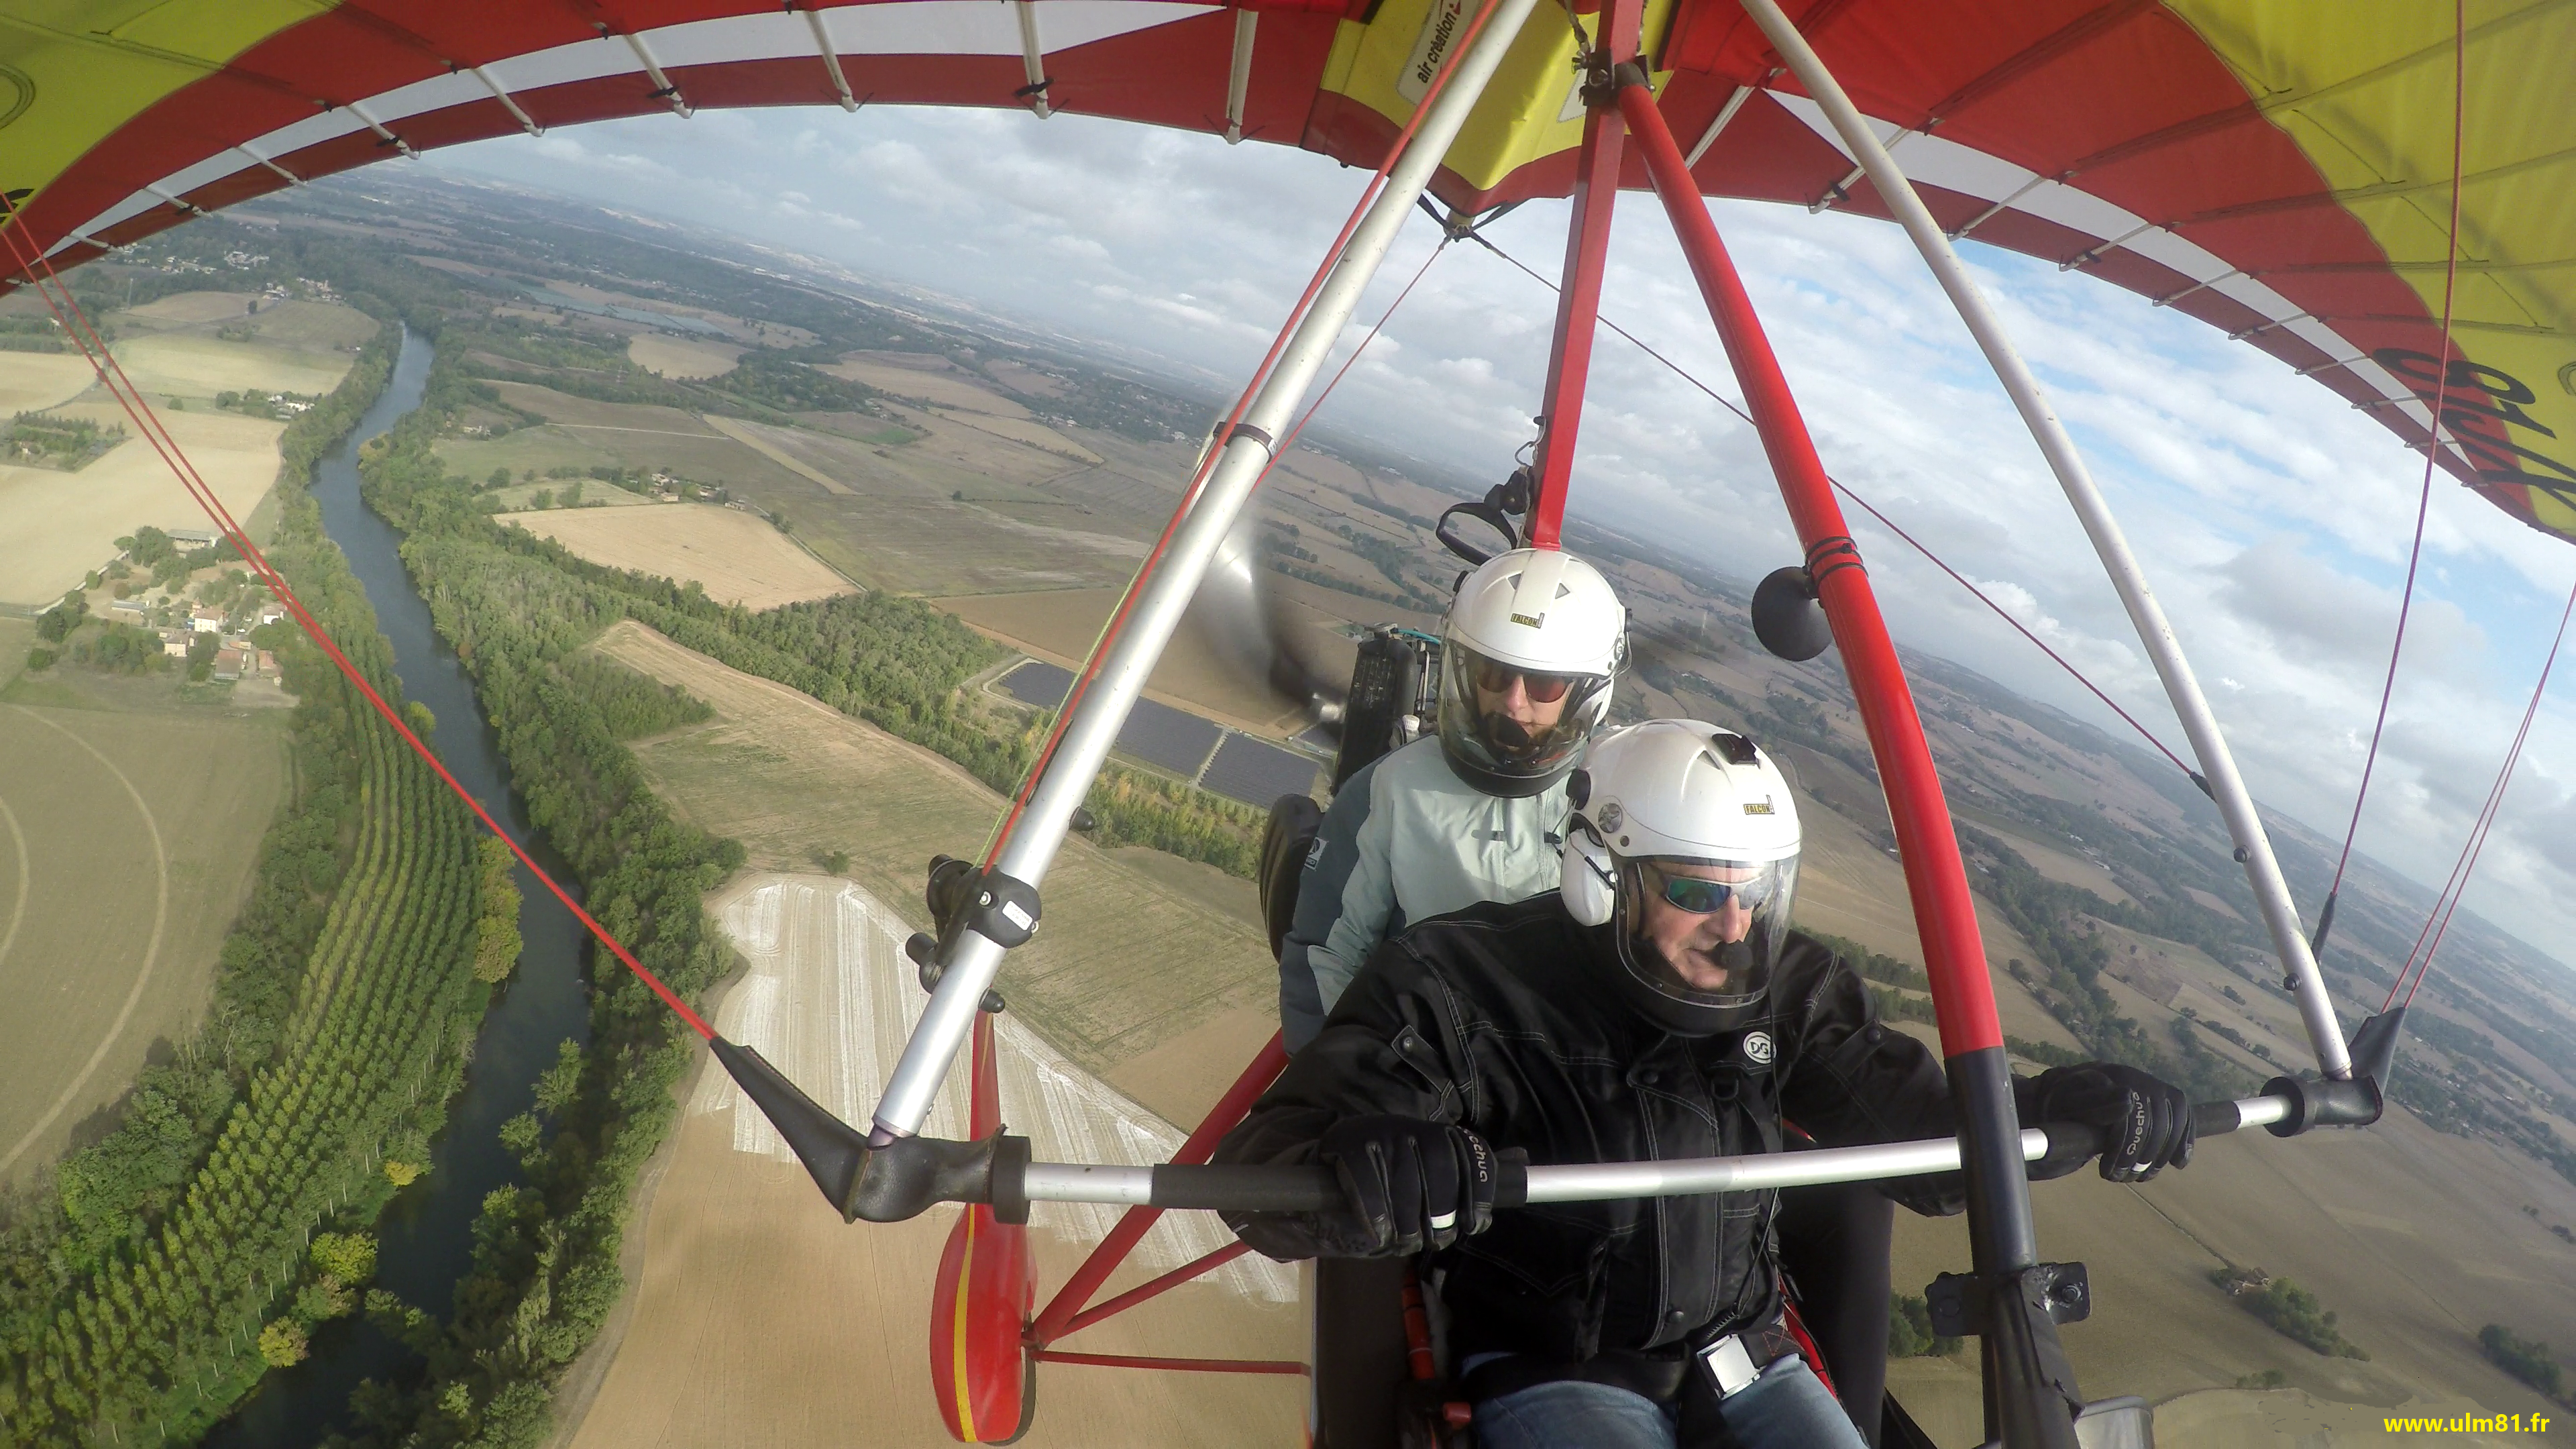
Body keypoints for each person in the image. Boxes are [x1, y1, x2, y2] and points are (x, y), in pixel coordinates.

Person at [1219, 719, 2195, 1449]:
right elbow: (1267, 1170)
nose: (1735, 927)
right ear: (1599, 876)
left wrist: (2075, 1107)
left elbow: (1939, 1152)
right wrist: (1364, 1153)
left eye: (1755, 893)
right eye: (1696, 891)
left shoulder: (1790, 989)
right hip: (1560, 1362)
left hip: (1751, 1354)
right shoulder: (1461, 981)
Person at [1277, 545, 1625, 1054]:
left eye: (1544, 684)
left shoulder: (1619, 805)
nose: (1512, 700)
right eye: (1494, 673)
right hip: (1422, 1075)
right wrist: (1345, 1089)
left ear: (1586, 695)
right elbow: (1325, 957)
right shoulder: (1390, 790)